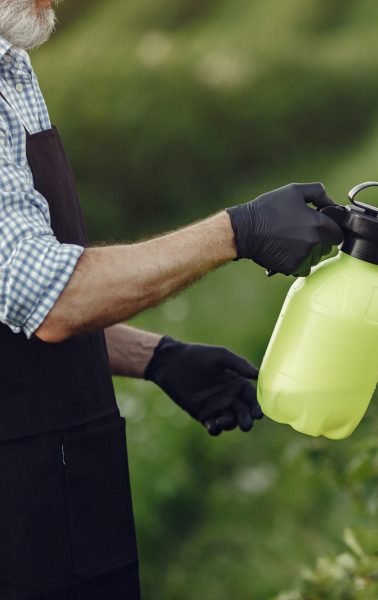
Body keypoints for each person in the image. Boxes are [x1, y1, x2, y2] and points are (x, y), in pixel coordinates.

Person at [0, 1, 344, 598]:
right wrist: (236, 232)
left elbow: (11, 299)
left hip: (57, 485)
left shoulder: (14, 69)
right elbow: (52, 296)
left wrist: (156, 356)